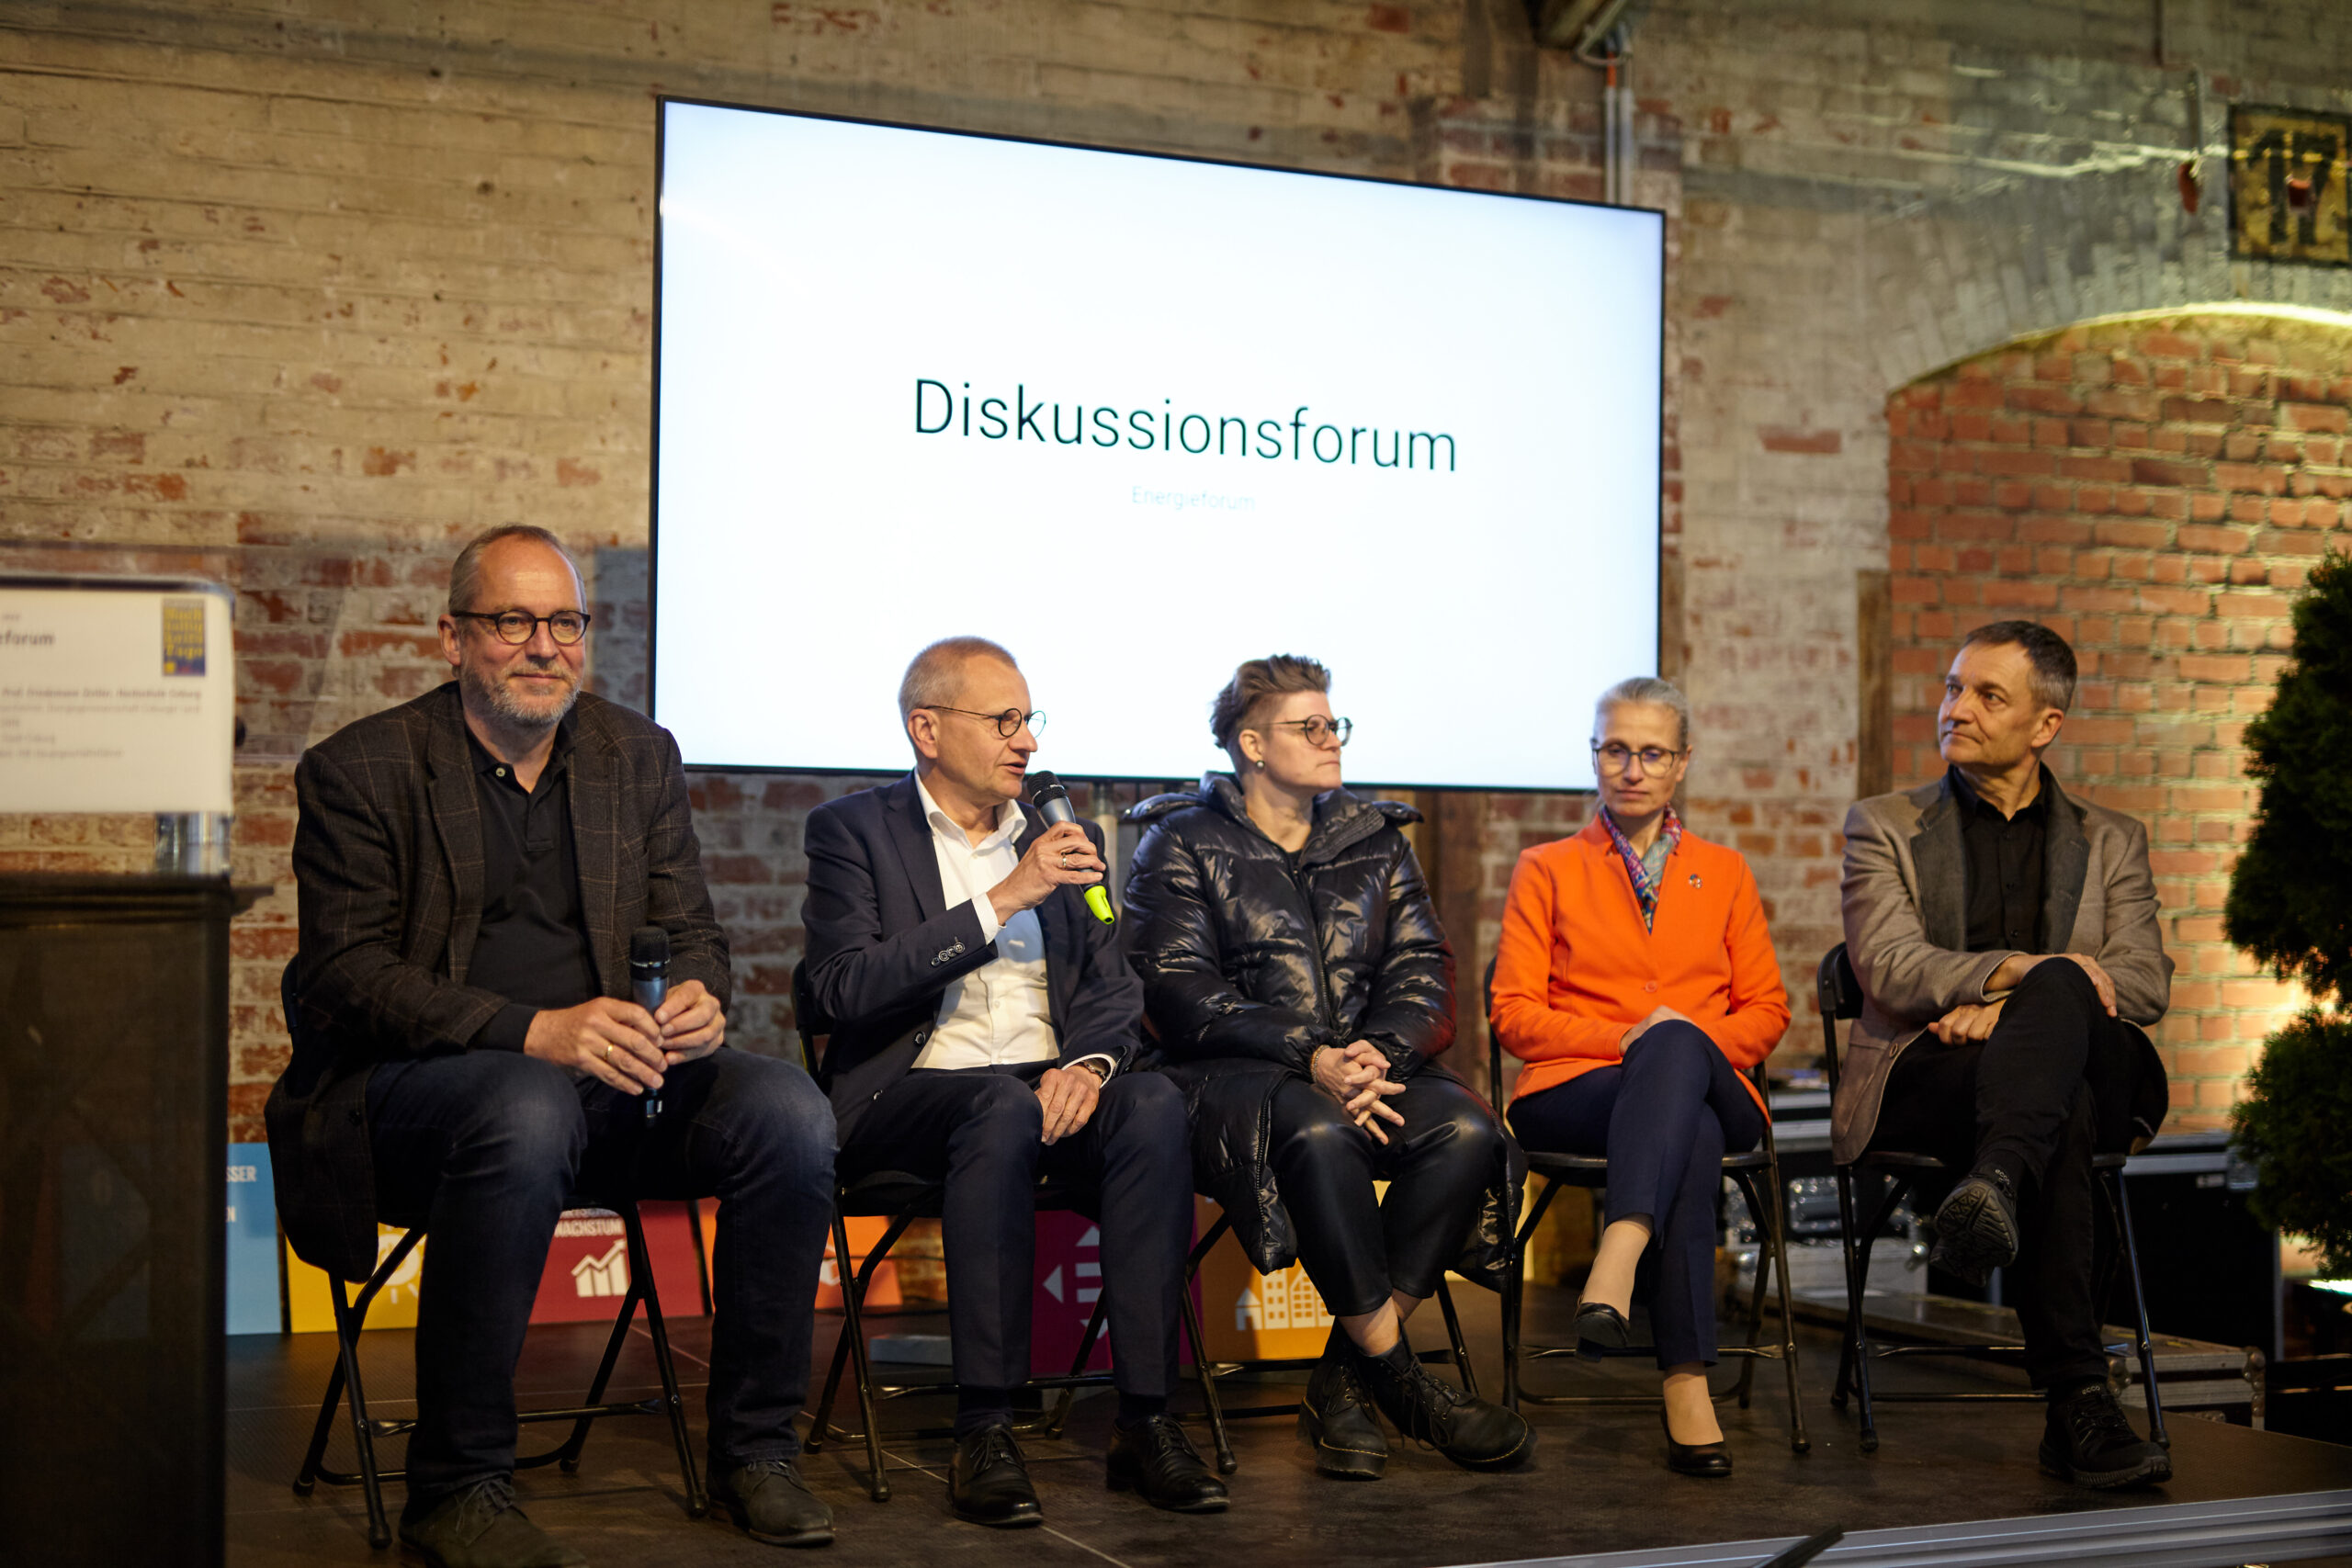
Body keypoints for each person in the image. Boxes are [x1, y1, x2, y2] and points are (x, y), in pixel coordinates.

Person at [266, 525, 839, 1568]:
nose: (545, 646)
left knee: (787, 1113)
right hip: (414, 1102)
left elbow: (694, 928)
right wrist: (533, 1032)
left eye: (565, 622)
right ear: (453, 638)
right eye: (513, 622)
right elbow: (346, 979)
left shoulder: (633, 755)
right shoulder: (362, 769)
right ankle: (458, 1485)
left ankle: (757, 1453)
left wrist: (701, 998)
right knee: (523, 1104)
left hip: (615, 1094)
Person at [799, 637, 1226, 1528]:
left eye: (1029, 720)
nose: (1025, 741)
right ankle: (984, 1425)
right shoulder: (854, 831)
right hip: (912, 1091)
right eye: (1002, 720)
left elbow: (1114, 988)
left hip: (1049, 1084)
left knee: (1149, 1103)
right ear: (926, 728)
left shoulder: (1062, 837)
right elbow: (843, 989)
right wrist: (1003, 899)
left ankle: (1146, 1418)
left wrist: (1091, 1063)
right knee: (995, 1103)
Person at [1121, 654, 1532, 1482]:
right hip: (1236, 1079)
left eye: (1332, 723)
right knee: (1316, 1128)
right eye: (1307, 726)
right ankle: (1405, 1382)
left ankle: (1343, 1377)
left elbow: (1423, 965)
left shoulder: (1374, 839)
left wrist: (1378, 1053)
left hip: (1367, 1068)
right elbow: (1179, 991)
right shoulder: (1181, 840)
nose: (1329, 739)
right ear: (1251, 744)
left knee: (1466, 1129)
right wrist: (1310, 1053)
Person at [1837, 620, 2173, 1489]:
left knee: (2061, 1009)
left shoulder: (2112, 838)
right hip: (1930, 1069)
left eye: (1988, 695)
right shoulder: (1885, 825)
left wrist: (2024, 1001)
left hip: (2074, 1061)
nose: (1959, 708)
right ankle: (2078, 1404)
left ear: (2046, 724)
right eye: (1953, 688)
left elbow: (2142, 982)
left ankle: (1992, 1182)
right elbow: (1890, 967)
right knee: (2057, 1106)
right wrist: (2014, 975)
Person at [1490, 676, 1790, 1479]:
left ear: (1681, 762)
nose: (1631, 767)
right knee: (1682, 1121)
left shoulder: (1725, 872)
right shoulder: (1546, 867)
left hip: (1717, 1083)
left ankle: (1619, 1248)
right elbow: (1513, 1014)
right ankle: (1687, 1381)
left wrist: (1678, 1040)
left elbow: (1767, 1011)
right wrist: (1630, 1036)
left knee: (1681, 1048)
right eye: (1614, 749)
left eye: (1651, 752)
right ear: (1594, 755)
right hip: (1577, 1091)